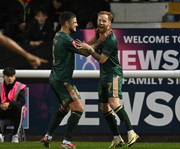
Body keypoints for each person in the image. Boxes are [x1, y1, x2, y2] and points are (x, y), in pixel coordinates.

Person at [76, 11, 139, 148]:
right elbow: (88, 50)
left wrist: (89, 49)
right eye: (99, 20)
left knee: (114, 103)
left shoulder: (111, 39)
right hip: (104, 74)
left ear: (110, 23)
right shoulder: (100, 34)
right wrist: (88, 43)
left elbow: (102, 59)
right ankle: (117, 138)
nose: (101, 23)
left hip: (113, 73)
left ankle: (131, 132)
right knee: (104, 108)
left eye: (104, 21)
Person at [40, 11, 96, 148]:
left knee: (64, 108)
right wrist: (98, 39)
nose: (77, 24)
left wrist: (93, 40)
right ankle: (66, 142)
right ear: (66, 23)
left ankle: (47, 136)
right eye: (74, 21)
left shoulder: (58, 35)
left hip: (56, 77)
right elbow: (85, 52)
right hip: (62, 80)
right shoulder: (66, 39)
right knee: (79, 109)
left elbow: (83, 49)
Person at [0, 67, 26, 143]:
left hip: (15, 112)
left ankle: (15, 136)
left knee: (20, 108)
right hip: (3, 111)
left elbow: (21, 101)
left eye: (11, 76)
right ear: (4, 77)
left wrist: (10, 104)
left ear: (14, 77)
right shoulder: (0, 87)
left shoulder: (20, 87)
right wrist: (1, 105)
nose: (10, 78)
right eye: (8, 76)